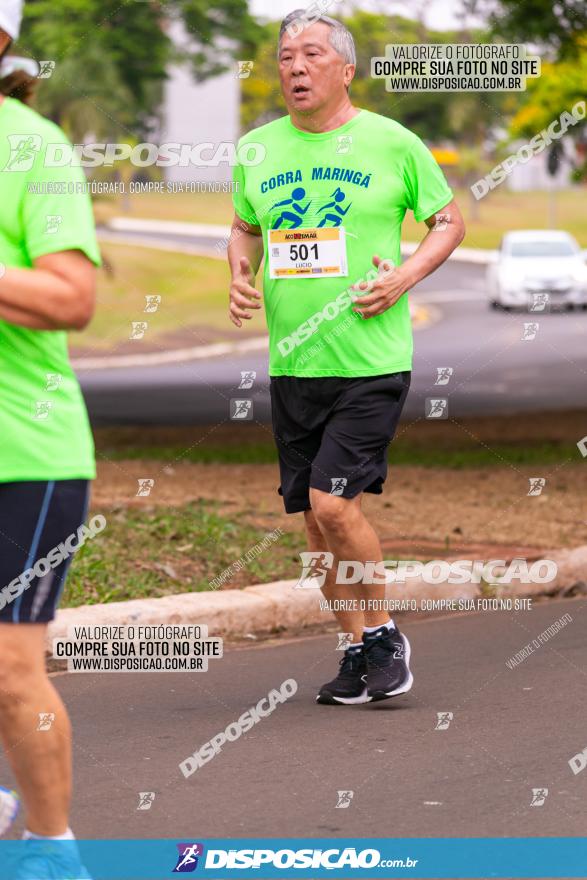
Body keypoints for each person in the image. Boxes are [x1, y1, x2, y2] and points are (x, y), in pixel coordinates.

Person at [228, 10, 465, 705]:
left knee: (334, 504)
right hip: (292, 365)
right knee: (310, 516)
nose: (294, 68)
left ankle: (386, 633)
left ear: (344, 68)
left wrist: (403, 276)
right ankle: (357, 650)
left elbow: (447, 222)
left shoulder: (392, 144)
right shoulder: (256, 150)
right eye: (284, 57)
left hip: (369, 360)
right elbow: (243, 229)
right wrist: (239, 274)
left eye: (309, 55)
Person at [0, 2, 99, 876]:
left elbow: (72, 296)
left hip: (22, 453)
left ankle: (51, 851)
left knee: (8, 667)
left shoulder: (30, 145)